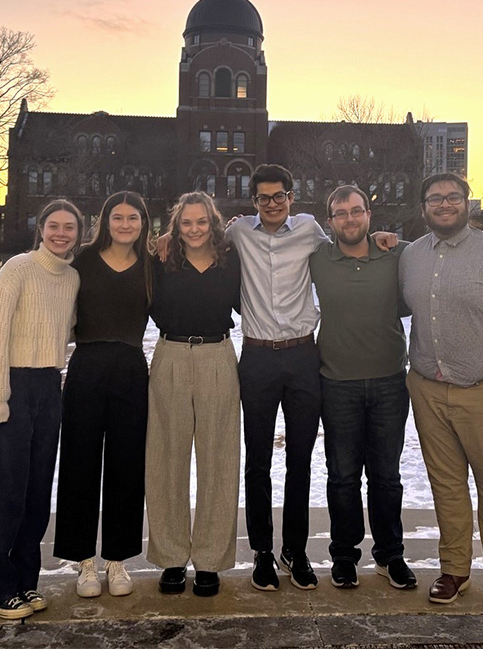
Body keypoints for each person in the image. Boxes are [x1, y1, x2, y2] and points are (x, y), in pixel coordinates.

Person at [225, 164, 398, 592]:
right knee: (258, 461)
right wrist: (167, 237)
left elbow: (350, 241)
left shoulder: (309, 232)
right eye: (263, 198)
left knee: (300, 460)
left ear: (290, 197)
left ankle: (295, 550)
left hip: (304, 355)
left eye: (279, 196)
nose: (271, 204)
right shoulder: (238, 234)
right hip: (258, 357)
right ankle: (263, 552)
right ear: (254, 202)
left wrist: (382, 238)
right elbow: (200, 238)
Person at [399, 173, 483, 606]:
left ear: (467, 204)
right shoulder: (411, 256)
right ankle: (455, 569)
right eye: (435, 198)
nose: (445, 203)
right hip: (427, 390)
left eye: (454, 197)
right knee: (446, 484)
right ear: (423, 207)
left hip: (482, 390)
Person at [0, 199, 82, 619]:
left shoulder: (72, 277)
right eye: (53, 225)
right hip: (14, 385)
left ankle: (25, 580)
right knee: (5, 492)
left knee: (38, 493)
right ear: (40, 228)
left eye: (69, 227)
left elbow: (68, 326)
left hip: (48, 386)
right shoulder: (17, 268)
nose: (61, 233)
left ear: (79, 232)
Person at [309, 185, 416, 591]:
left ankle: (391, 556)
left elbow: (439, 249)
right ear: (330, 220)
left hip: (390, 381)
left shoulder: (396, 255)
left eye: (357, 211)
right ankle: (344, 556)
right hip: (337, 383)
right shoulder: (318, 257)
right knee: (342, 476)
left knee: (387, 477)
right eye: (340, 213)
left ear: (370, 215)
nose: (349, 219)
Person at [53, 191, 153, 599]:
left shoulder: (152, 264)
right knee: (79, 464)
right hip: (87, 368)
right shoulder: (82, 264)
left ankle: (117, 559)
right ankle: (84, 562)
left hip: (131, 369)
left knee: (126, 467)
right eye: (118, 217)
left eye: (133, 218)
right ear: (105, 221)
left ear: (144, 223)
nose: (125, 224)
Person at [145, 192, 242, 597]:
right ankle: (170, 557)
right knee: (167, 455)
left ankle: (210, 560)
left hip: (218, 354)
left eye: (202, 221)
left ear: (213, 222)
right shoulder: (161, 258)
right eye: (187, 223)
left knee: (218, 459)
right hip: (170, 354)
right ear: (176, 225)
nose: (195, 229)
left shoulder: (231, 256)